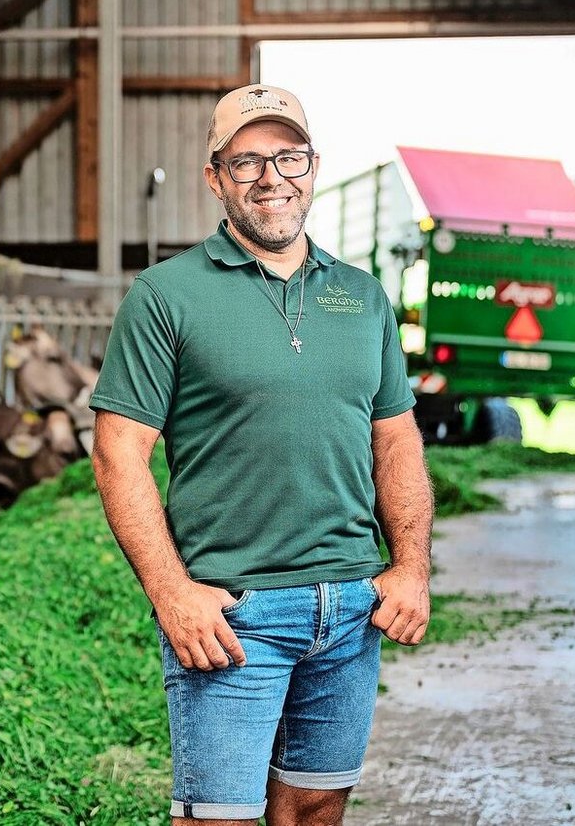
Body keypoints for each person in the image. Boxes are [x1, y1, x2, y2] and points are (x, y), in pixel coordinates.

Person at [89, 84, 433, 826]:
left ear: (312, 167)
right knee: (219, 820)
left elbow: (395, 436)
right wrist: (171, 591)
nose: (271, 177)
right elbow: (120, 450)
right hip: (232, 614)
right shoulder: (166, 295)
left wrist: (409, 566)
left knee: (314, 808)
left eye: (288, 156)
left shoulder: (362, 297)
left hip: (350, 608)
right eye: (246, 161)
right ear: (214, 177)